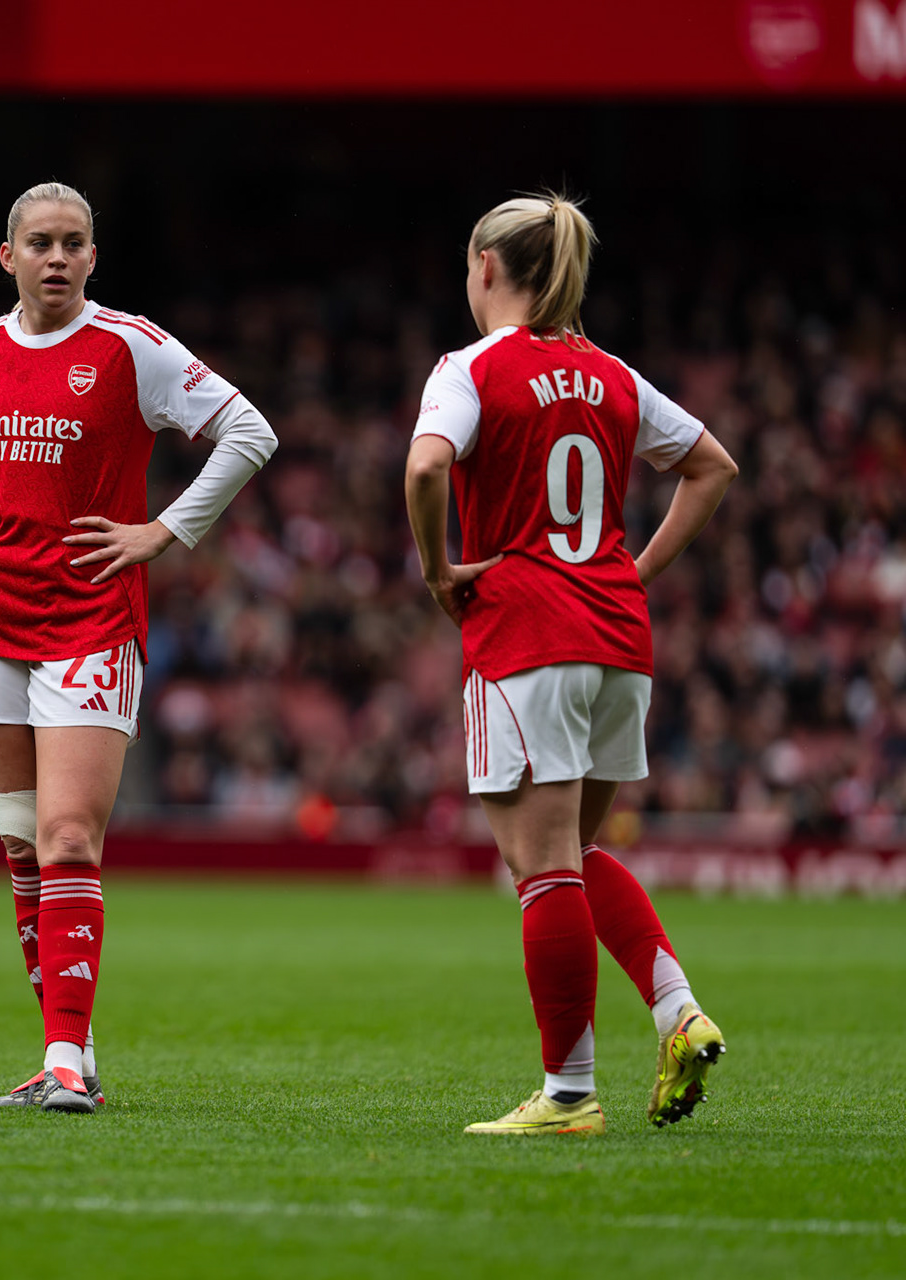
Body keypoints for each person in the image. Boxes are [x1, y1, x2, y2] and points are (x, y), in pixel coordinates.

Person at [0, 182, 277, 1112]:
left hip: (90, 622)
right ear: (6, 256)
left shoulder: (131, 346)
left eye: (74, 243)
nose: (58, 258)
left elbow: (249, 431)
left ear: (94, 258)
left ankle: (60, 1062)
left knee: (66, 838)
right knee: (23, 851)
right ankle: (72, 1054)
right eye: (41, 243)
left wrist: (164, 531)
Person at [404, 193, 740, 1136]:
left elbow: (427, 469)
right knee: (581, 855)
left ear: (484, 267)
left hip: (526, 634)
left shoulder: (469, 368)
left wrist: (438, 572)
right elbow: (714, 465)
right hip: (617, 637)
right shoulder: (612, 373)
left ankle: (567, 1095)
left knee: (544, 868)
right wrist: (633, 571)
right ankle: (677, 1011)